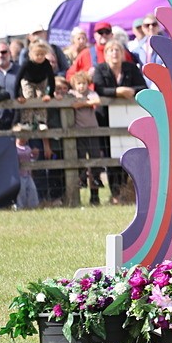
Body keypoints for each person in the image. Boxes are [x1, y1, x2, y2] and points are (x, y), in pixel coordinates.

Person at [92, 40, 146, 204]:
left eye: (117, 50)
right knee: (110, 155)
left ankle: (127, 191)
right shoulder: (100, 69)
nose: (114, 53)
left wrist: (130, 91)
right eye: (110, 50)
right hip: (105, 118)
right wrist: (118, 91)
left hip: (126, 118)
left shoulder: (131, 68)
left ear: (122, 53)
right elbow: (99, 88)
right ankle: (115, 193)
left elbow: (142, 87)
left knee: (127, 153)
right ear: (105, 54)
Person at [67, 71, 106, 206]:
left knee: (95, 156)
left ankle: (96, 180)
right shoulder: (72, 94)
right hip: (79, 131)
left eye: (84, 84)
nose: (81, 87)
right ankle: (82, 179)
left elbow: (97, 101)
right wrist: (86, 103)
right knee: (81, 156)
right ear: (74, 85)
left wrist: (83, 102)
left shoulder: (90, 93)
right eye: (79, 84)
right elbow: (73, 104)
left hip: (92, 130)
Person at [67, 21, 132, 81]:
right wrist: (85, 76)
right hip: (94, 92)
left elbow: (133, 73)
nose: (104, 35)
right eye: (100, 32)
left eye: (107, 32)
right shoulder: (85, 54)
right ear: (95, 35)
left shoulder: (122, 53)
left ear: (112, 35)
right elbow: (69, 76)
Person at [16, 39, 54, 131]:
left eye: (42, 55)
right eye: (37, 55)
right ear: (31, 54)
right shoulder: (27, 63)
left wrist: (50, 94)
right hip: (28, 80)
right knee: (29, 97)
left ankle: (42, 121)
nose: (40, 57)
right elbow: (18, 79)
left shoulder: (46, 63)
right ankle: (26, 122)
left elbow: (51, 79)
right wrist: (17, 95)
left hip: (41, 80)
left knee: (41, 98)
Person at [0, 41, 21, 128]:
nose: (0, 55)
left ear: (10, 53)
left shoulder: (21, 71)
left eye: (4, 52)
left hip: (19, 119)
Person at [13, 134, 40, 210]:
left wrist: (35, 154)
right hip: (19, 175)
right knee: (21, 192)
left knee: (32, 189)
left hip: (28, 174)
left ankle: (33, 207)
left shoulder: (28, 148)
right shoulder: (14, 148)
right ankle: (20, 207)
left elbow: (32, 159)